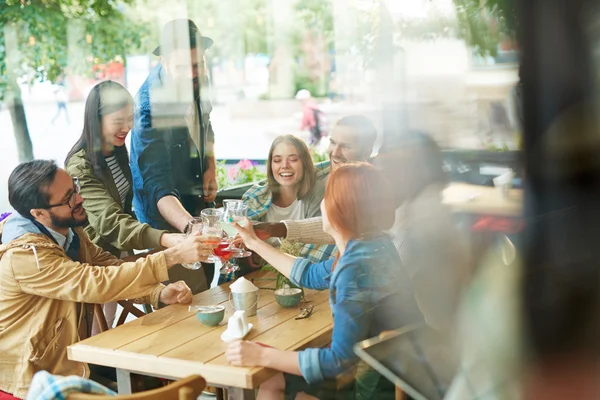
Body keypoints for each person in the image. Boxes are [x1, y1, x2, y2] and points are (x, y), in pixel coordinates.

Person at [0, 160, 217, 399]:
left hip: (71, 365)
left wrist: (157, 293)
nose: (80, 199)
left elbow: (109, 266)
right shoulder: (25, 257)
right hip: (30, 383)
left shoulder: (68, 233)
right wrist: (172, 256)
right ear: (38, 213)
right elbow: (96, 282)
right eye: (69, 198)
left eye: (76, 187)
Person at [227, 163, 423, 400]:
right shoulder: (374, 246)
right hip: (399, 375)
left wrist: (262, 356)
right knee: (273, 378)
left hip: (374, 388)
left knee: (273, 380)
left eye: (327, 197)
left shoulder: (355, 269)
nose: (322, 204)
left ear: (341, 208)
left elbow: (338, 360)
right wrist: (254, 243)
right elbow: (310, 275)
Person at [64, 81, 187, 333]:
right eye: (119, 120)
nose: (128, 127)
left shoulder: (115, 151)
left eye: (131, 119)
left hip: (114, 255)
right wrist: (166, 239)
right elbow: (109, 221)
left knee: (109, 324)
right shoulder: (80, 166)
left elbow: (123, 209)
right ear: (96, 119)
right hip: (93, 264)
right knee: (99, 331)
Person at [129, 19, 217, 293]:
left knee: (210, 282)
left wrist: (210, 167)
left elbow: (207, 126)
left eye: (197, 65)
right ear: (164, 63)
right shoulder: (149, 107)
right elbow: (157, 186)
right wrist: (191, 226)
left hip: (196, 202)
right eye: (183, 67)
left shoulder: (200, 77)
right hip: (166, 222)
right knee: (187, 299)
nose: (193, 74)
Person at [253, 115, 378, 241]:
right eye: (333, 143)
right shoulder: (319, 181)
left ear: (366, 152)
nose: (335, 153)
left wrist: (278, 230)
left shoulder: (371, 192)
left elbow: (339, 227)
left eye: (346, 146)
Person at [242, 134, 335, 263]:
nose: (285, 166)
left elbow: (318, 247)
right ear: (270, 166)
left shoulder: (319, 197)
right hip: (260, 275)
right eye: (277, 160)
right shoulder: (256, 198)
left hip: (301, 275)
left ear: (305, 163)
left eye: (293, 159)